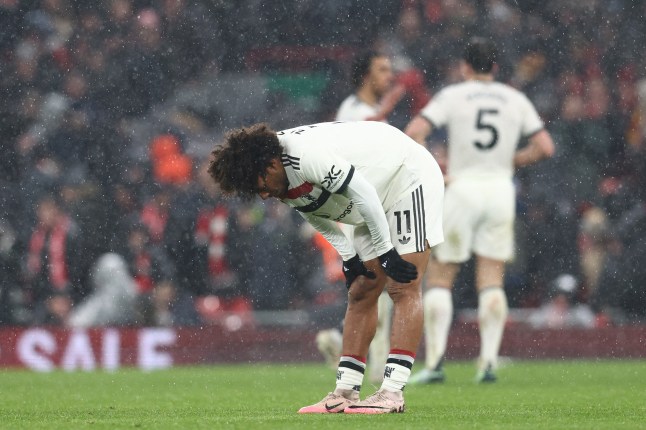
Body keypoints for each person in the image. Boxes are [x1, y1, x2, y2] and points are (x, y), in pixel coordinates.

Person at [208, 120, 444, 414]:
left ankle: (392, 392)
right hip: (369, 197)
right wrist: (348, 257)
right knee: (361, 290)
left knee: (402, 285)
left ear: (270, 166)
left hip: (407, 178)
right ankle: (345, 391)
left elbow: (363, 192)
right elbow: (312, 211)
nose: (264, 196)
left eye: (261, 188)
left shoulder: (306, 156)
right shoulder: (275, 172)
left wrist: (385, 252)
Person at [404, 37, 555, 383]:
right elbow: (545, 146)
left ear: (464, 67)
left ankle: (436, 363)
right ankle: (487, 362)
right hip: (500, 191)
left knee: (441, 275)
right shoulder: (515, 99)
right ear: (496, 68)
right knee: (491, 276)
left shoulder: (453, 96)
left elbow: (415, 131)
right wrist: (511, 161)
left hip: (461, 188)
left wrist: (436, 167)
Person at [316, 50, 402, 383]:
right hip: (362, 208)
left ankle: (344, 342)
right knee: (380, 286)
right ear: (365, 75)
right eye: (382, 68)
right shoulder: (356, 111)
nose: (389, 76)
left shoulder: (361, 111)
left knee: (373, 287)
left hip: (364, 206)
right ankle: (377, 367)